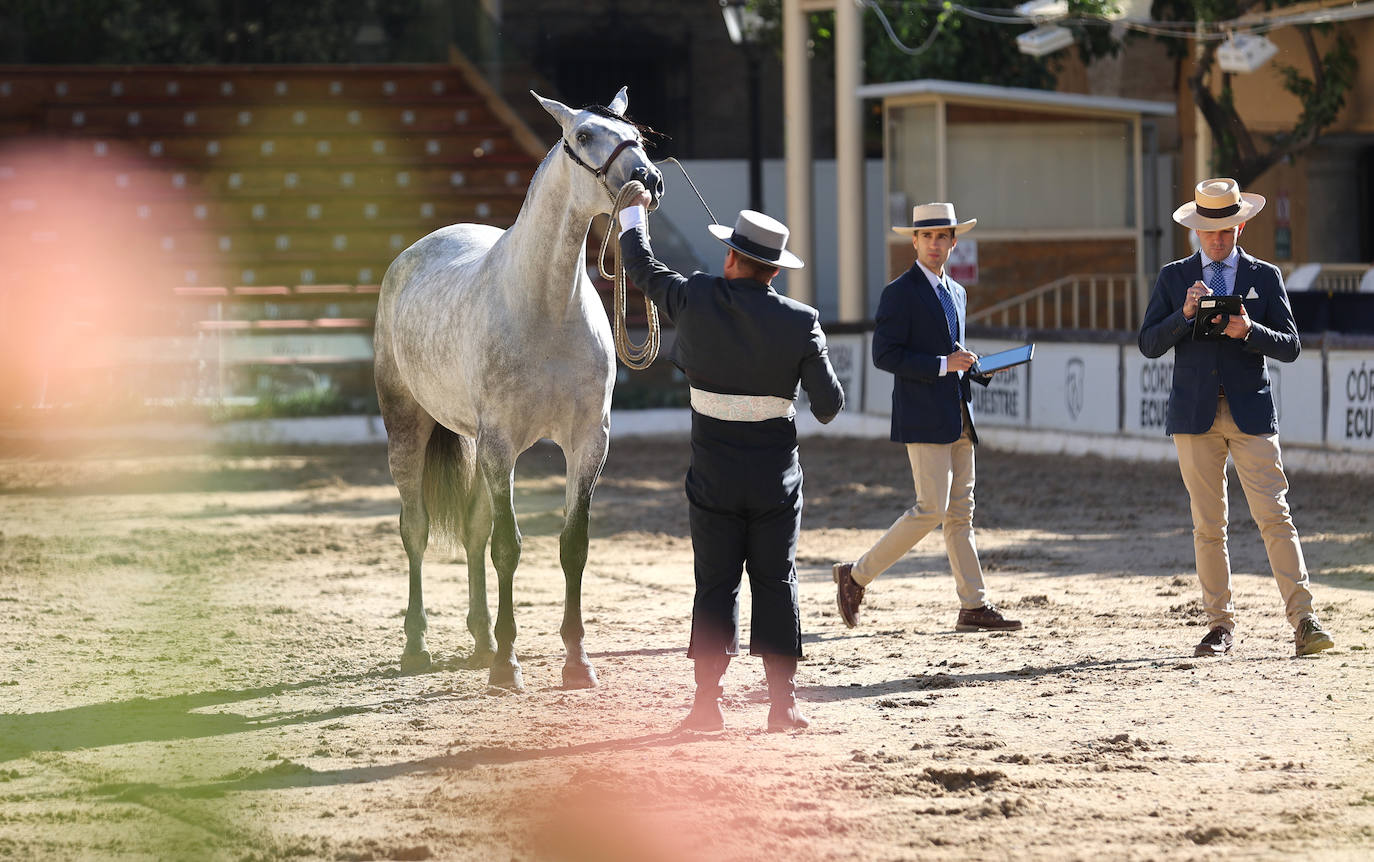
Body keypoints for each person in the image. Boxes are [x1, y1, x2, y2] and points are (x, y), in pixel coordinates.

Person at [617, 193, 845, 731]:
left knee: (715, 582)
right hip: (775, 480)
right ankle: (781, 705)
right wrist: (810, 349)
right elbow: (830, 407)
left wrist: (633, 213)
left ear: (730, 259)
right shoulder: (801, 320)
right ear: (774, 271)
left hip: (714, 477)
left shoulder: (696, 297)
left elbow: (643, 269)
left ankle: (705, 707)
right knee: (776, 578)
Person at [1138, 177, 1334, 658]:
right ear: (1197, 230)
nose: (1219, 238)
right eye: (1210, 230)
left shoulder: (1265, 277)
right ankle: (1219, 626)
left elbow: (1290, 346)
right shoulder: (1172, 277)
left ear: (1240, 226)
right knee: (1208, 524)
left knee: (1275, 516)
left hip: (1251, 412)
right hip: (1194, 416)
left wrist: (1249, 330)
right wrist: (1184, 315)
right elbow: (1147, 344)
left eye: (1227, 228)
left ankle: (1304, 619)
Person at [831, 203, 1020, 634]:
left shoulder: (957, 292)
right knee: (931, 509)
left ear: (954, 243)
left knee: (959, 514)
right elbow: (885, 354)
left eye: (943, 237)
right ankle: (856, 576)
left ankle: (973, 605)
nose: (935, 244)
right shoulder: (899, 292)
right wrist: (942, 363)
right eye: (927, 237)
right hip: (923, 416)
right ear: (914, 241)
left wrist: (979, 366)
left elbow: (954, 358)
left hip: (959, 415)